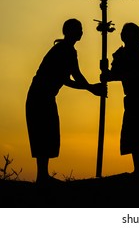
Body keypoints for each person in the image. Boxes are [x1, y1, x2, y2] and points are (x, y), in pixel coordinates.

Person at [26, 18, 106, 185]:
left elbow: (70, 78)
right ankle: (42, 177)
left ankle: (43, 175)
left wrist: (90, 88)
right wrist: (92, 89)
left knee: (48, 133)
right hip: (39, 96)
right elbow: (72, 77)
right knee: (44, 133)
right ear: (70, 31)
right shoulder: (63, 50)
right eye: (79, 29)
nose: (82, 32)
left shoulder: (67, 50)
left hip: (44, 96)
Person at [103, 22, 139, 178]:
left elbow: (127, 73)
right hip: (133, 96)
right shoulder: (122, 53)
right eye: (122, 32)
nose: (123, 35)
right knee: (134, 133)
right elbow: (115, 74)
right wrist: (106, 72)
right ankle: (138, 170)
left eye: (126, 32)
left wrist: (110, 74)